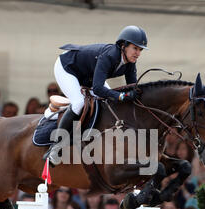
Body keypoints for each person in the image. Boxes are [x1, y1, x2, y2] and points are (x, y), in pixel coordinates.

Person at [43, 25, 148, 167]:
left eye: (140, 50)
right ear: (124, 45)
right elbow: (98, 88)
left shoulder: (130, 62)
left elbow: (132, 87)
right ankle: (55, 147)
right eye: (135, 48)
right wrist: (121, 97)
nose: (138, 53)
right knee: (79, 103)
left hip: (89, 76)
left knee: (109, 103)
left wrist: (138, 95)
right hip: (68, 68)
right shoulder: (109, 56)